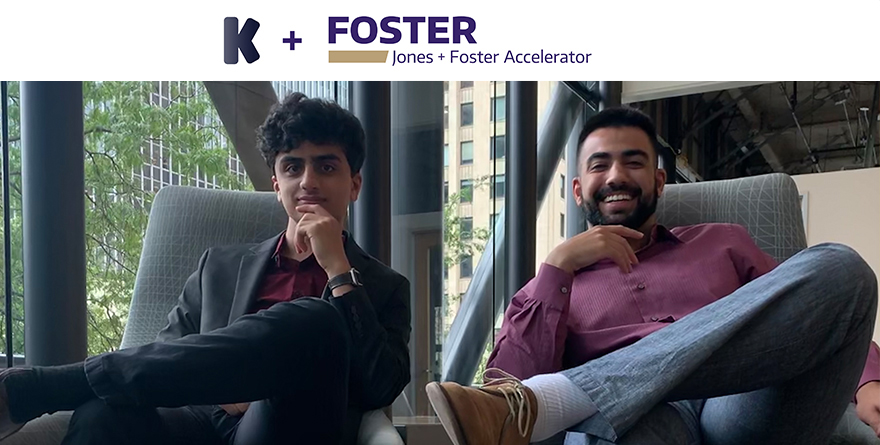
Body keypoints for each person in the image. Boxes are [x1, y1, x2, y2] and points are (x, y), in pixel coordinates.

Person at [426, 107, 879, 445]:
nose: (617, 175)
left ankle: (569, 396)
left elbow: (813, 311)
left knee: (843, 268)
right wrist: (559, 267)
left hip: (743, 402)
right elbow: (507, 387)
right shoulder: (547, 288)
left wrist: (870, 378)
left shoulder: (724, 241)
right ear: (579, 189)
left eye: (634, 162)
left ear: (660, 181)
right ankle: (582, 399)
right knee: (609, 434)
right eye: (600, 164)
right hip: (640, 418)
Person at [0, 93, 411, 445]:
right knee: (101, 415)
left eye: (326, 166)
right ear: (275, 184)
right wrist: (227, 385)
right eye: (292, 167)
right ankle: (63, 388)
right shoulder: (219, 267)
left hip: (288, 428)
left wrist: (338, 269)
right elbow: (164, 357)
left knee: (315, 320)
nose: (307, 181)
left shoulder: (382, 286)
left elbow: (381, 386)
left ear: (354, 184)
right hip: (199, 421)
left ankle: (42, 388)